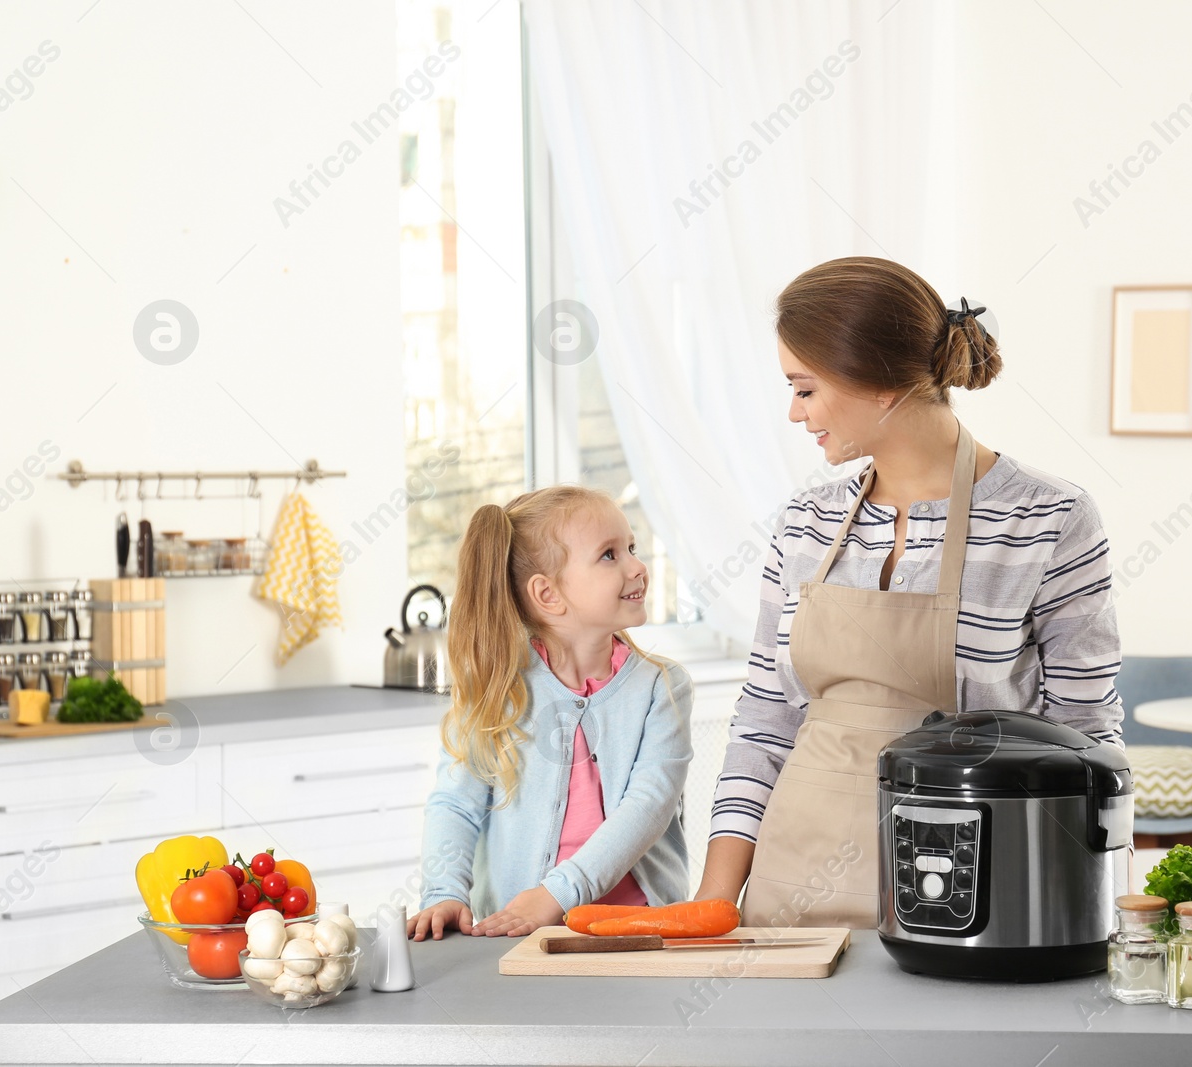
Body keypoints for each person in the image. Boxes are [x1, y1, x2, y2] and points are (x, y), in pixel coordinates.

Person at [697, 256, 1124, 930]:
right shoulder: (805, 522)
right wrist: (715, 902)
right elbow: (764, 723)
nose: (793, 411)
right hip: (790, 890)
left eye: (805, 389)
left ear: (878, 385)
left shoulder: (1048, 518)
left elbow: (1085, 739)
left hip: (974, 894)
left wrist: (1072, 912)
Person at [408, 486, 693, 940]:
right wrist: (444, 891)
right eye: (609, 555)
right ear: (548, 594)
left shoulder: (662, 688)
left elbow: (648, 807)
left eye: (632, 549)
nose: (637, 567)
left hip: (637, 928)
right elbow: (456, 804)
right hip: (519, 931)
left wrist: (556, 895)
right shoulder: (497, 686)